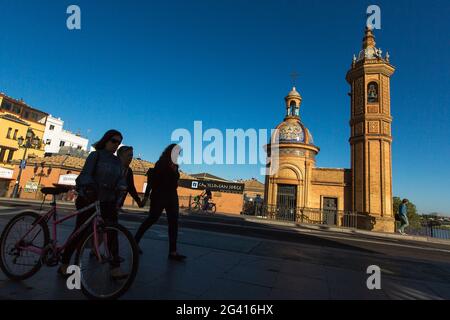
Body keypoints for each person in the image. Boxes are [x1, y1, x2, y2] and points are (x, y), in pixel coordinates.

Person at [58, 129, 128, 279]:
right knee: (80, 231)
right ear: (106, 140)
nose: (116, 145)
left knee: (112, 233)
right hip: (89, 199)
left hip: (108, 200)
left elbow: (120, 178)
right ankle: (64, 264)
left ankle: (115, 267)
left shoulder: (117, 161)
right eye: (114, 141)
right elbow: (85, 175)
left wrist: (122, 186)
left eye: (119, 142)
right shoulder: (95, 156)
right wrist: (92, 187)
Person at [134, 144, 186, 261]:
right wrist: (147, 196)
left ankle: (173, 251)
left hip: (172, 196)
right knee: (152, 219)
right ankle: (135, 241)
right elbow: (153, 181)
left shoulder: (175, 165)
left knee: (174, 222)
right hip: (160, 195)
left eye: (178, 153)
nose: (177, 155)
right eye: (176, 152)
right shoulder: (161, 163)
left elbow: (174, 180)